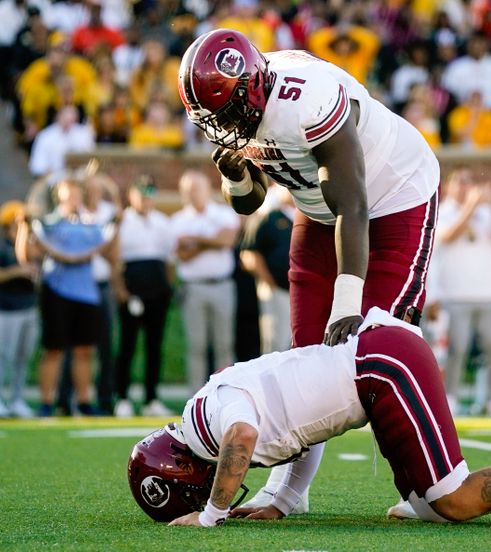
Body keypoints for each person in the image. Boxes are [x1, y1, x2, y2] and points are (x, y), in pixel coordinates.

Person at [178, 29, 439, 516]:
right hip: (321, 211)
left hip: (392, 196)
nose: (225, 125)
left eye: (230, 112)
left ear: (253, 86)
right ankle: (287, 492)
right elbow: (250, 203)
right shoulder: (236, 103)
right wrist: (234, 175)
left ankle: (426, 487)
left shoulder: (307, 98)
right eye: (214, 119)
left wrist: (347, 300)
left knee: (378, 347)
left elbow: (354, 203)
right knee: (304, 358)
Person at [127, 308, 491, 528]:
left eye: (192, 492)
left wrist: (211, 516)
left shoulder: (215, 416)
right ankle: (426, 496)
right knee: (428, 508)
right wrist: (285, 498)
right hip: (376, 365)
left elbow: (243, 436)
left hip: (381, 367)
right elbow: (301, 430)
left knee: (454, 501)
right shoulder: (206, 409)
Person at [19, 177, 113, 416]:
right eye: (67, 193)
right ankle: (46, 402)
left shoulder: (92, 224)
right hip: (56, 292)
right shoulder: (48, 224)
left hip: (87, 294)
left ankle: (83, 401)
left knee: (84, 351)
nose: (72, 198)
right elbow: (29, 254)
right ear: (58, 196)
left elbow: (109, 248)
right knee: (54, 350)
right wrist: (24, 227)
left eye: (75, 193)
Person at [433, 169, 491, 418]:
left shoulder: (487, 211)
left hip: (490, 294)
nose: (465, 186)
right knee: (457, 349)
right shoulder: (443, 211)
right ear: (450, 187)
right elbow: (448, 236)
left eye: (469, 182)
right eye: (459, 182)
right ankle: (451, 397)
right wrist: (470, 207)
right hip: (456, 295)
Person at [169, 170, 240, 393]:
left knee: (224, 344)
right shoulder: (178, 220)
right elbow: (182, 254)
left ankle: (226, 394)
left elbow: (226, 241)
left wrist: (195, 240)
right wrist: (211, 241)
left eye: (196, 189)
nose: (193, 194)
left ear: (207, 190)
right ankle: (197, 397)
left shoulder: (223, 214)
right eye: (188, 190)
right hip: (194, 287)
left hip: (222, 285)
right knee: (196, 345)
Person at [113, 178, 174, 417]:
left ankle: (151, 398)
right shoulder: (123, 221)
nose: (145, 199)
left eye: (149, 194)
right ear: (131, 195)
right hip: (132, 290)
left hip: (157, 291)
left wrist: (169, 288)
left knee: (154, 346)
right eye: (140, 193)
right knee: (127, 345)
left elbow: (169, 261)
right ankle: (122, 397)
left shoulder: (162, 222)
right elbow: (115, 261)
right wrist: (121, 291)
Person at [0, 201, 39, 418]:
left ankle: (16, 399)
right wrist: (17, 271)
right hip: (7, 310)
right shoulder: (1, 249)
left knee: (23, 357)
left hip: (29, 308)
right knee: (4, 355)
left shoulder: (30, 247)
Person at [240, 186, 294, 354]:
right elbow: (249, 253)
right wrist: (269, 281)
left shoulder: (305, 217)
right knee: (276, 343)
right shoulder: (268, 216)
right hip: (276, 289)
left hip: (303, 291)